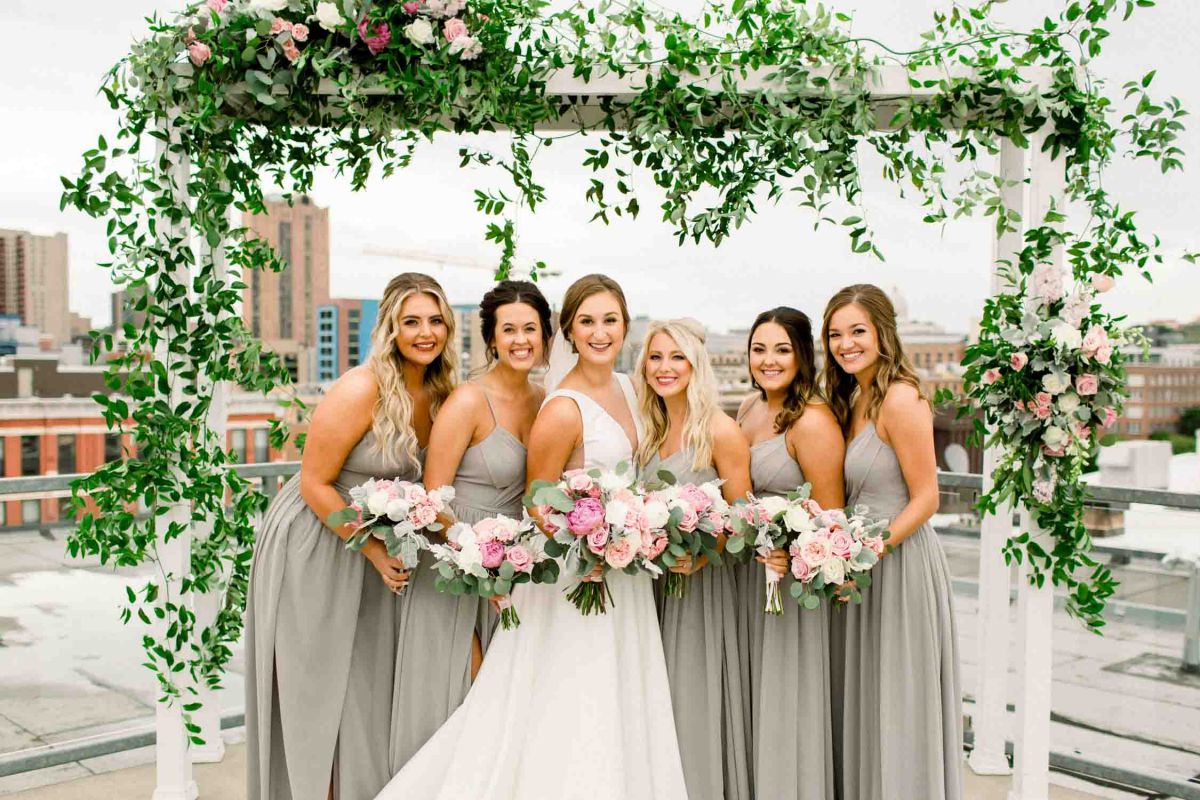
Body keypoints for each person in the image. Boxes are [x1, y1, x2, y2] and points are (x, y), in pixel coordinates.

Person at [373, 274, 687, 800]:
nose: (600, 331)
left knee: (611, 692)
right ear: (568, 331)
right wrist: (585, 544)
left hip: (619, 570)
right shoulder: (556, 405)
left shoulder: (630, 390)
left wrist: (645, 527)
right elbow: (535, 499)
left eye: (610, 320)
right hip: (568, 566)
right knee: (561, 694)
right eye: (587, 321)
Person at [246, 273, 458, 800]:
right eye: (412, 321)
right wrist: (373, 550)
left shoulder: (442, 394)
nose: (425, 333)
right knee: (318, 696)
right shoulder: (362, 387)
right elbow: (314, 482)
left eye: (435, 321)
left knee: (362, 693)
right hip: (318, 541)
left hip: (374, 548)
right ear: (390, 328)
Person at [823, 284, 962, 800]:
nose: (846, 344)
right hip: (857, 567)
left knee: (899, 700)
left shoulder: (901, 398)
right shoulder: (853, 397)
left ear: (884, 332)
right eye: (835, 334)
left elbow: (927, 499)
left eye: (858, 331)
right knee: (866, 697)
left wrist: (868, 553)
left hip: (898, 566)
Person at [635, 318, 753, 800]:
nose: (665, 368)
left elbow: (744, 517)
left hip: (698, 589)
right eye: (655, 357)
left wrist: (705, 556)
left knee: (689, 700)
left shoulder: (720, 431)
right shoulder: (649, 429)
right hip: (647, 587)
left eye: (677, 357)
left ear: (695, 364)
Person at [736, 306, 843, 800]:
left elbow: (831, 519)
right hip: (745, 577)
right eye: (759, 349)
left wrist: (789, 550)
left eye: (782, 350)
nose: (769, 360)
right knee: (751, 700)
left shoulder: (813, 422)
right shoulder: (748, 408)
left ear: (802, 355)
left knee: (783, 703)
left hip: (788, 586)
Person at [421, 279, 551, 655]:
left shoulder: (545, 400)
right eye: (508, 330)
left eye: (530, 329)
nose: (520, 340)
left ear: (544, 335)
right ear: (492, 339)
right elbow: (433, 498)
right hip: (458, 566)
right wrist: (479, 563)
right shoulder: (468, 401)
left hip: (515, 567)